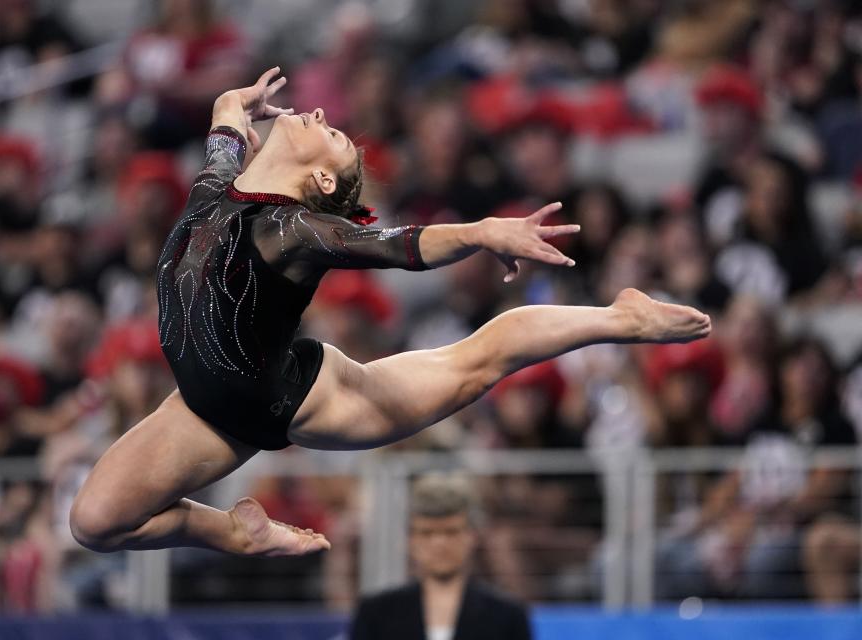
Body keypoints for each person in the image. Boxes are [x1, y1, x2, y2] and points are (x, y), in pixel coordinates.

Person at [69, 67, 711, 558]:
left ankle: (621, 318)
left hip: (292, 398)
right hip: (203, 406)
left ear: (320, 182)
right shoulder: (218, 181)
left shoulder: (293, 229)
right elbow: (225, 123)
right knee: (93, 524)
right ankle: (239, 534)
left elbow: (400, 247)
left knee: (471, 365)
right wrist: (235, 104)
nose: (319, 111)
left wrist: (484, 230)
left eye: (333, 133)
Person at [349, 473, 531, 640]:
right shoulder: (376, 612)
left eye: (451, 532)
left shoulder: (507, 614)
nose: (439, 544)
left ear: (472, 536)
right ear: (409, 540)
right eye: (427, 533)